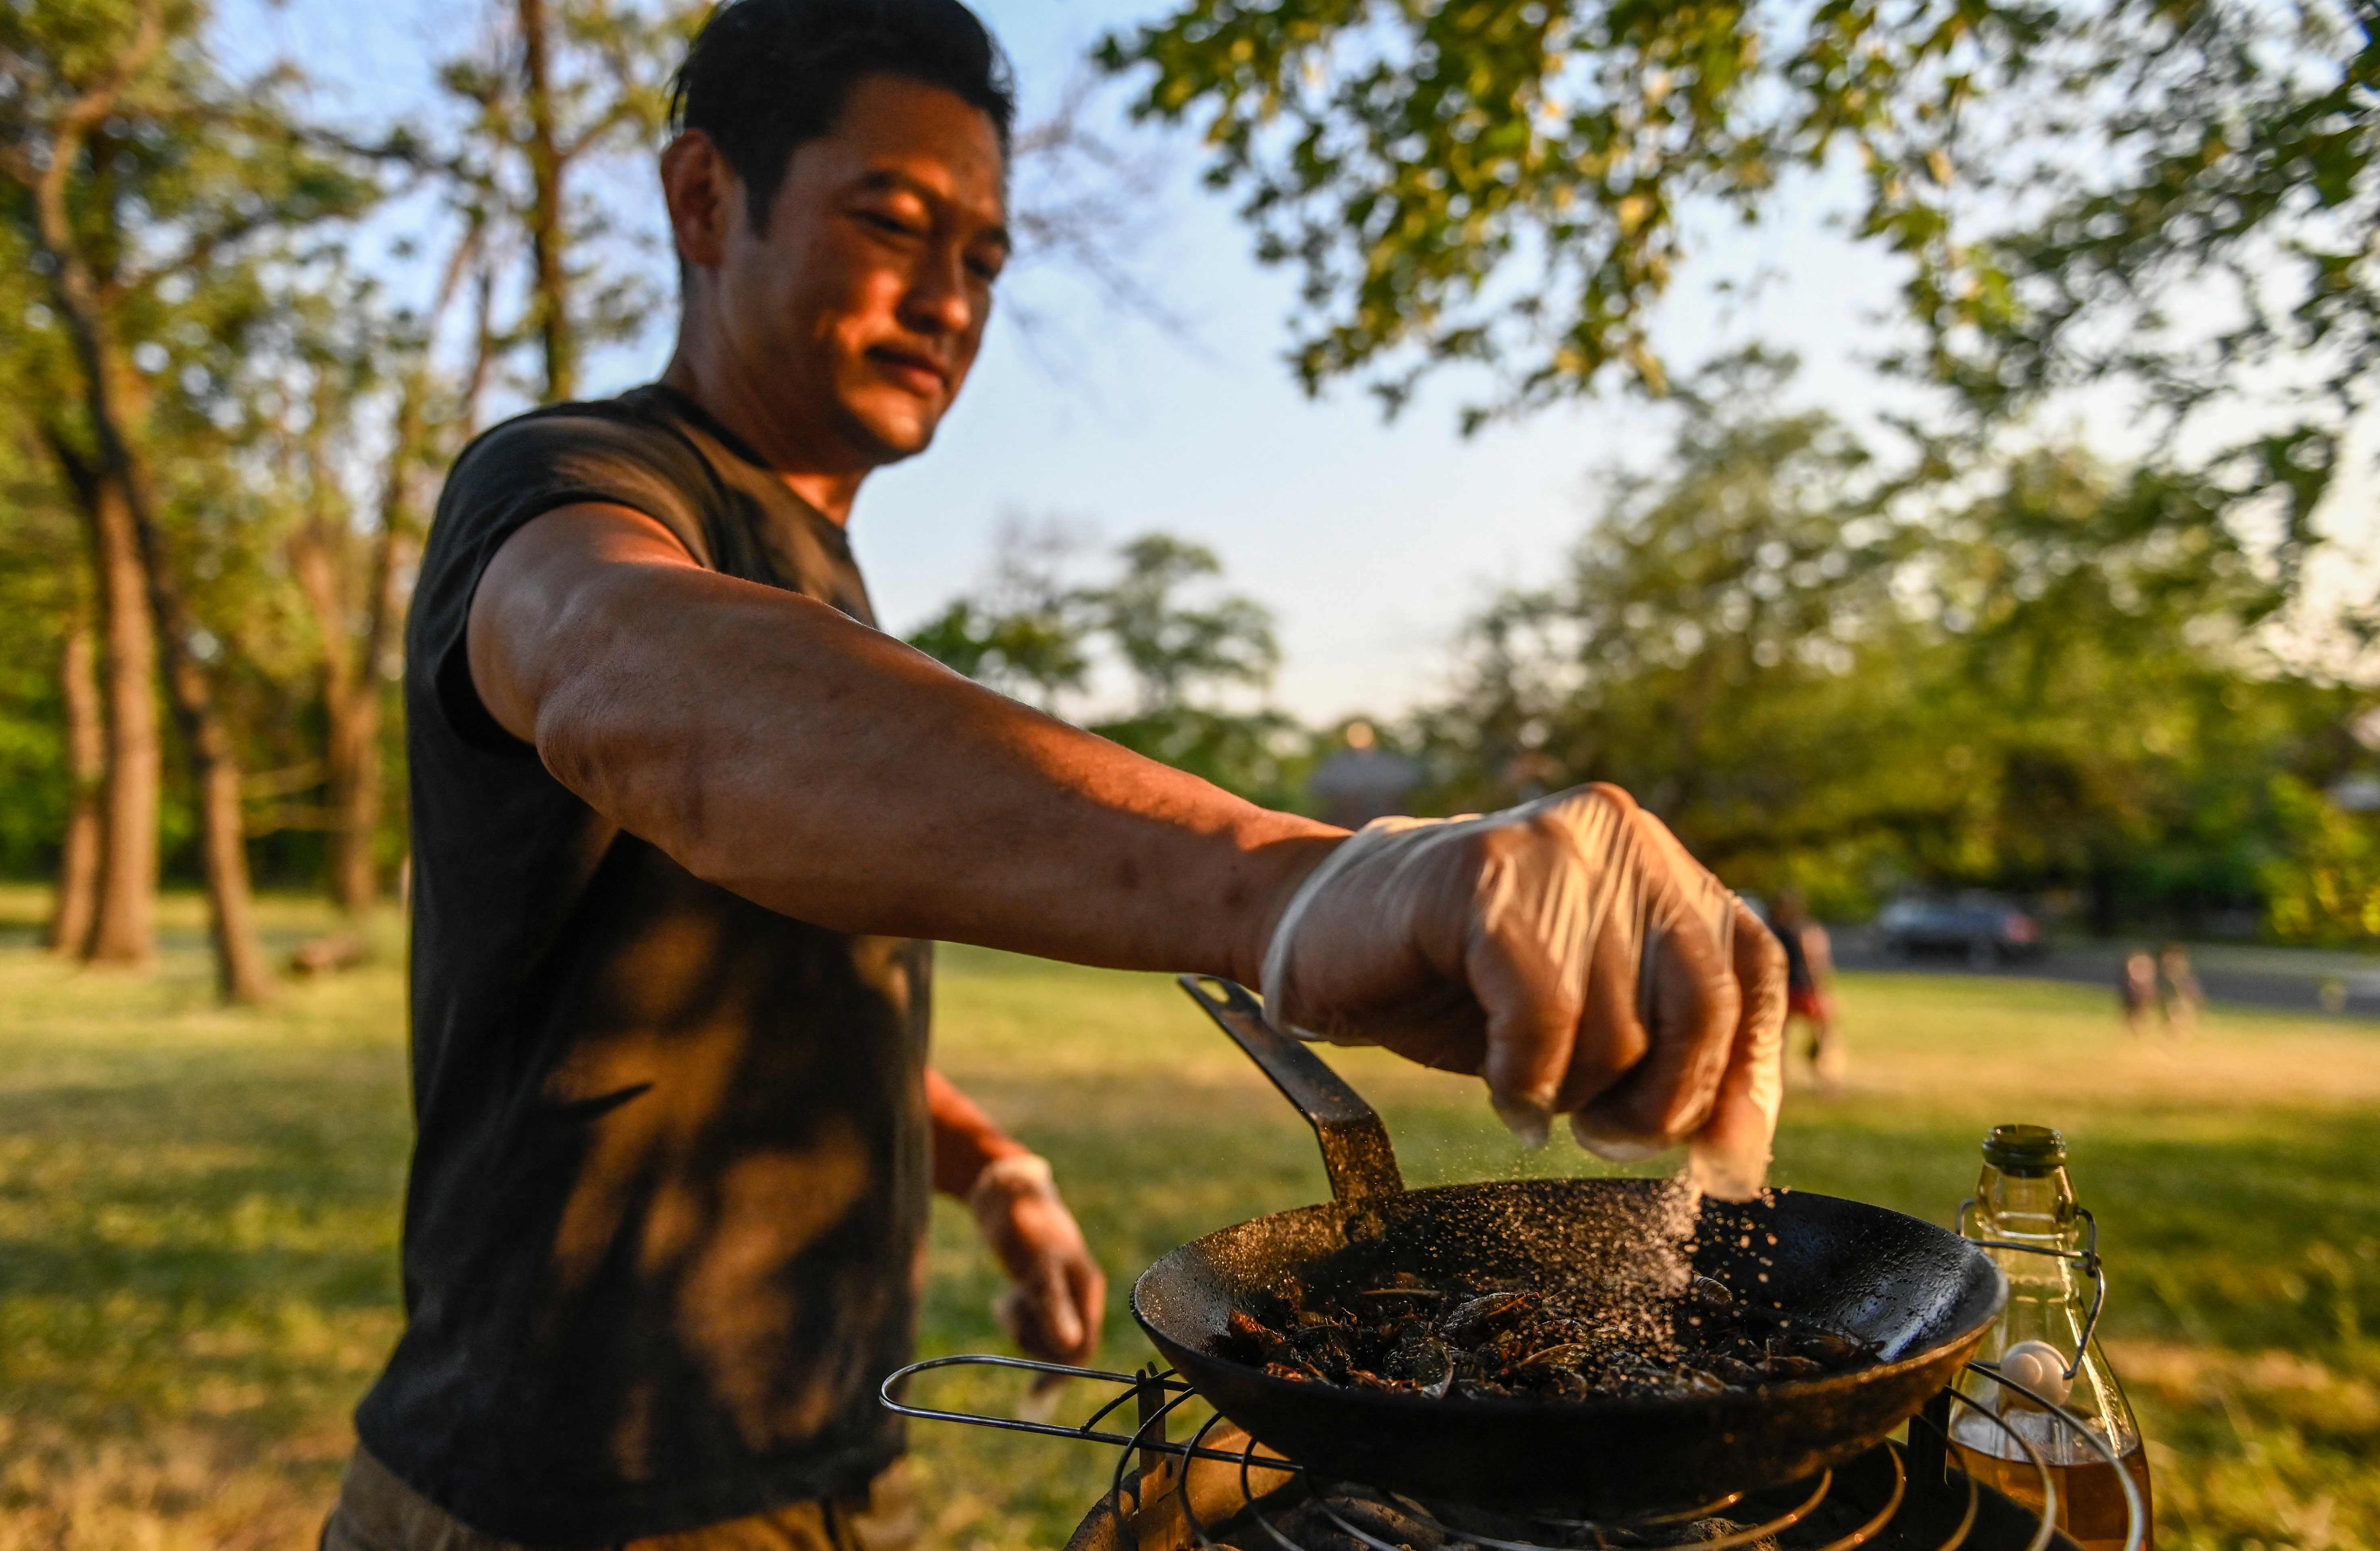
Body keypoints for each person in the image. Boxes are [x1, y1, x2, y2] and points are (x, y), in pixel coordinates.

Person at [320, 3, 1788, 1547]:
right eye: (890, 221)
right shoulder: (569, 485)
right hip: (554, 1496)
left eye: (985, 258)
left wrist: (985, 1156)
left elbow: (754, 970)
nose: (945, 297)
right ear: (702, 198)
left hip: (812, 1458)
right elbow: (631, 682)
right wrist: (1287, 882)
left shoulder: (823, 585)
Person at [1767, 891, 1842, 1091]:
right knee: (1824, 1036)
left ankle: (1779, 1081)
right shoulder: (1807, 930)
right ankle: (1826, 1079)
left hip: (1784, 990)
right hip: (1805, 990)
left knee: (1780, 1040)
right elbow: (1817, 962)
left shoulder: (1771, 931)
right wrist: (1823, 990)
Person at [2117, 949, 2157, 1035]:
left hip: (2140, 994)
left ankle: (2140, 1031)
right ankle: (2135, 1031)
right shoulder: (2136, 967)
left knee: (2141, 1012)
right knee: (2133, 1013)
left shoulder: (2141, 967)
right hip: (2135, 994)